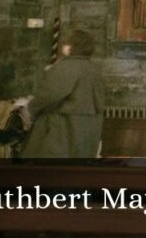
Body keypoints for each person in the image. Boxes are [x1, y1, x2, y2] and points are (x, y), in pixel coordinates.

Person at [21, 30, 105, 158]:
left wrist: (30, 108)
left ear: (72, 47)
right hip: (88, 126)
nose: (63, 46)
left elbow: (49, 95)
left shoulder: (66, 66)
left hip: (65, 126)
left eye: (66, 43)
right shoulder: (94, 68)